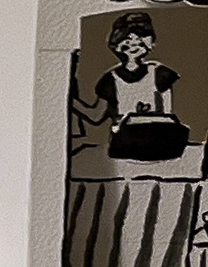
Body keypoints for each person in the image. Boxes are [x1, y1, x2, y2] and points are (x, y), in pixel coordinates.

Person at [81, 12, 190, 163]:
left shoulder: (159, 73)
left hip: (157, 139)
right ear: (117, 45)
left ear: (150, 43)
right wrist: (69, 100)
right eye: (128, 39)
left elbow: (167, 115)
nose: (134, 44)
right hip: (125, 141)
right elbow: (96, 116)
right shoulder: (111, 79)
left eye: (140, 40)